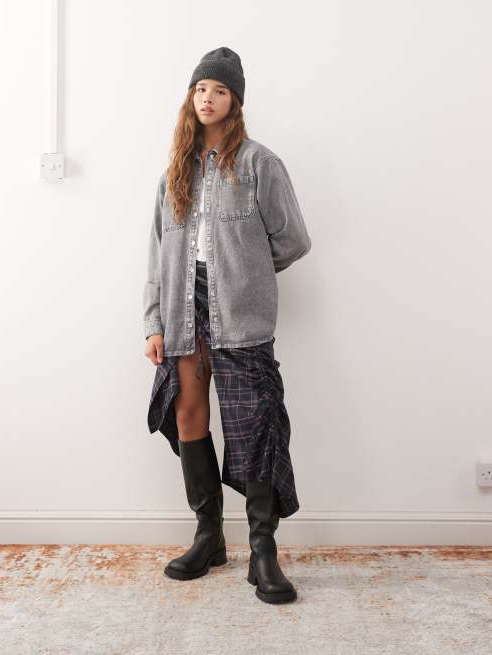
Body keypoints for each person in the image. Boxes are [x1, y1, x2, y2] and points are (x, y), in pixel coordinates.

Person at [143, 46, 312, 604]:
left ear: (234, 101)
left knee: (255, 425)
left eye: (218, 90)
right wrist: (153, 323)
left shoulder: (260, 163)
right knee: (188, 412)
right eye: (200, 89)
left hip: (239, 313)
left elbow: (293, 240)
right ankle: (208, 536)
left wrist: (247, 273)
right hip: (181, 309)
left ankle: (263, 551)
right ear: (190, 99)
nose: (207, 98)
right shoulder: (174, 173)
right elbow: (157, 255)